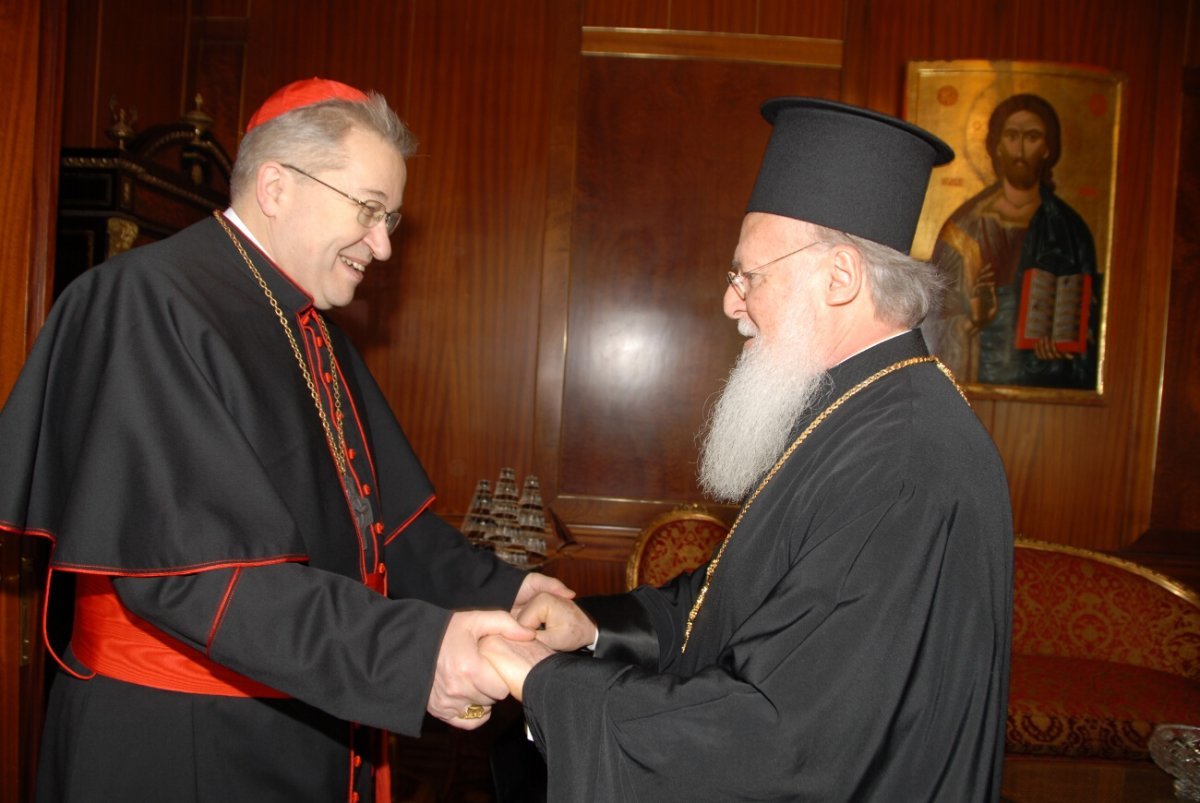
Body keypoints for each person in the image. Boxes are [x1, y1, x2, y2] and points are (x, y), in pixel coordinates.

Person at [0, 77, 572, 802]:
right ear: (276, 186)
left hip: (298, 712)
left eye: (390, 218)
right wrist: (418, 651)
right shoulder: (145, 300)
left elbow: (386, 532)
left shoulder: (309, 328)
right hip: (180, 747)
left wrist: (519, 590)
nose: (385, 245)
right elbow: (192, 579)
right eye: (369, 211)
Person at [479, 98, 1014, 801]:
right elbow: (732, 601)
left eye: (748, 275)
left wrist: (547, 685)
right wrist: (595, 631)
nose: (731, 302)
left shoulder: (900, 461)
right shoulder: (859, 410)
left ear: (840, 277)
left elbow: (780, 737)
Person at [925, 93, 1099, 388]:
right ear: (997, 146)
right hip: (974, 380)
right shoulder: (963, 229)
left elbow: (1090, 323)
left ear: (1047, 149)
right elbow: (933, 321)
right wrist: (973, 320)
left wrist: (1065, 349)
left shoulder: (1070, 229)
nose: (1020, 149)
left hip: (1049, 392)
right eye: (1011, 136)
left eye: (1032, 137)